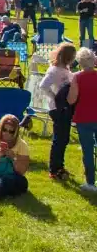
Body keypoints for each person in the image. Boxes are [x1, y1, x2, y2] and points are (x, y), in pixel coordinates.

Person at [42, 42, 76, 180]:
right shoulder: (54, 70)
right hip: (57, 109)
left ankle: (59, 165)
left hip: (65, 107)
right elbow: (43, 85)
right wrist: (54, 97)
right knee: (59, 139)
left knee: (64, 138)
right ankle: (54, 168)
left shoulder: (65, 69)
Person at [67, 47, 97, 192]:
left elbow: (72, 100)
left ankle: (90, 182)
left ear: (79, 62)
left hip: (84, 117)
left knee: (88, 151)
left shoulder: (77, 77)